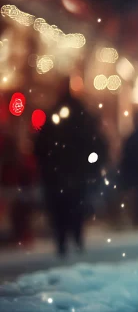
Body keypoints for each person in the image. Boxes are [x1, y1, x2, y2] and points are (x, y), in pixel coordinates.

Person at [34, 78, 107, 257]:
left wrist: (47, 166)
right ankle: (76, 238)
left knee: (60, 208)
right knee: (76, 206)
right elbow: (96, 143)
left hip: (58, 173)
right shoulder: (81, 114)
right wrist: (93, 166)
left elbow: (41, 146)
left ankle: (62, 242)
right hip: (76, 171)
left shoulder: (53, 114)